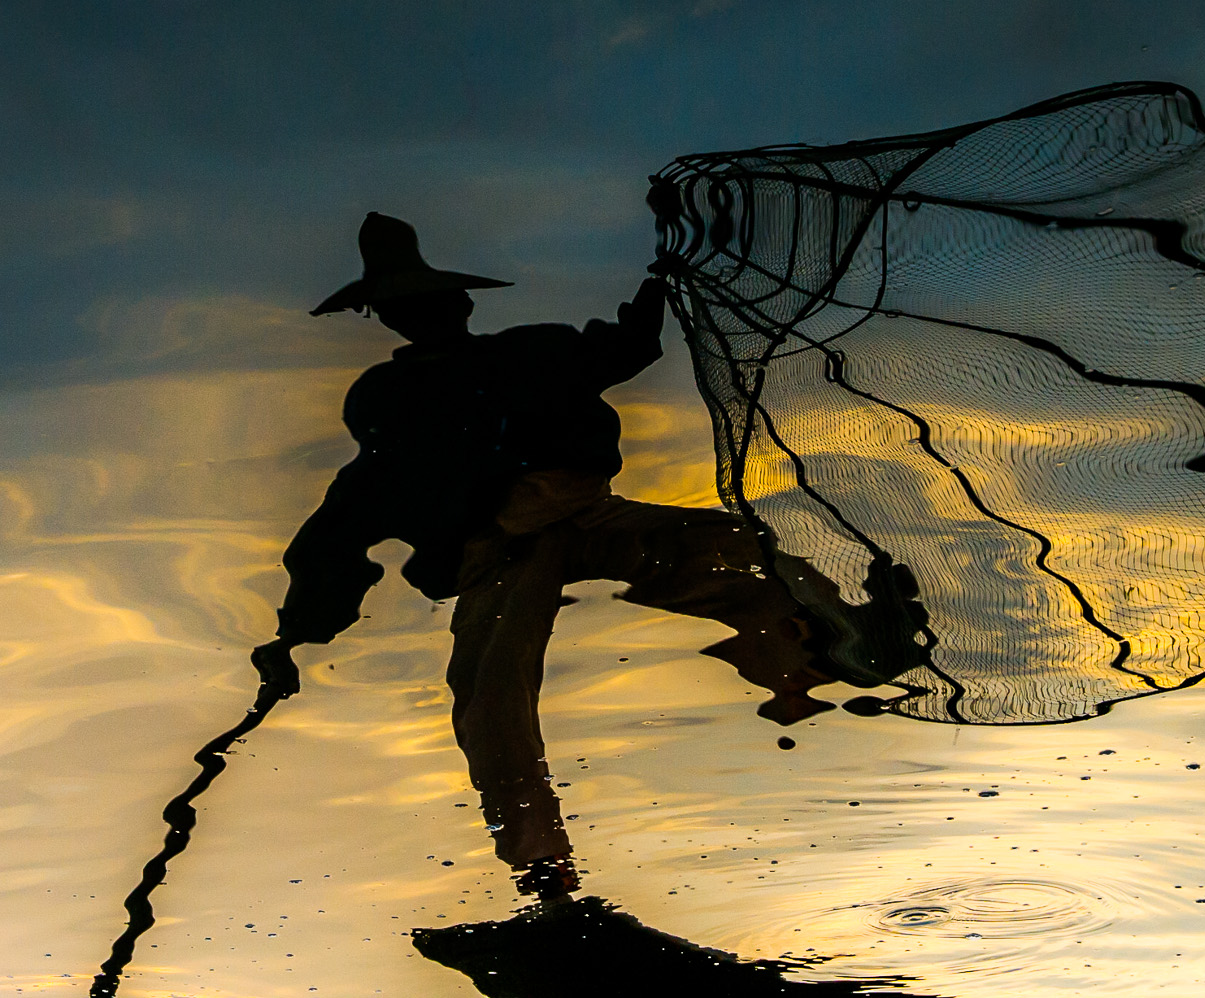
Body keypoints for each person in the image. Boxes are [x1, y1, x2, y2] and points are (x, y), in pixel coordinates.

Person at [252, 213, 867, 899]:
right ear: (398, 316)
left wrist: (647, 309)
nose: (428, 313)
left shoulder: (524, 355)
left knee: (733, 556)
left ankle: (827, 646)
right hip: (501, 549)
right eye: (411, 305)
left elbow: (622, 351)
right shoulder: (394, 399)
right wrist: (296, 633)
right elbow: (342, 527)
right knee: (492, 700)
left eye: (430, 302)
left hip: (580, 513)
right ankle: (546, 872)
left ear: (453, 305)